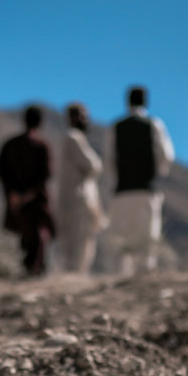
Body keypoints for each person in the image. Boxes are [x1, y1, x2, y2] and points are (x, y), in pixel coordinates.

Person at [107, 86, 175, 274]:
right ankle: (145, 275)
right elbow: (166, 155)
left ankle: (123, 277)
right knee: (147, 236)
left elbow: (109, 159)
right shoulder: (153, 125)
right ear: (146, 101)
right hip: (146, 189)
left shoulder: (115, 127)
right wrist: (155, 173)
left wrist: (119, 177)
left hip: (122, 191)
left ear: (127, 101)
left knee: (123, 237)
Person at [0, 105, 56, 277]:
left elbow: (0, 170)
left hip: (14, 204)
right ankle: (32, 275)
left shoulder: (10, 144)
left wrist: (13, 194)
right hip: (35, 205)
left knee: (13, 238)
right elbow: (46, 174)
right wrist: (28, 194)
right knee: (36, 240)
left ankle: (8, 274)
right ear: (40, 123)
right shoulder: (42, 146)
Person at [57, 102, 106, 273]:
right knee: (78, 247)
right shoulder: (73, 138)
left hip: (76, 202)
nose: (87, 120)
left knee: (80, 246)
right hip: (77, 203)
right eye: (83, 116)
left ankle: (75, 278)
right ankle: (74, 280)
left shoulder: (73, 139)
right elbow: (94, 165)